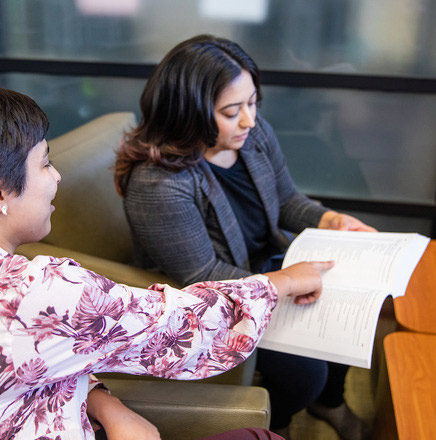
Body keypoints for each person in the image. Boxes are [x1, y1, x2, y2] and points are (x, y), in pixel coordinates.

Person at [0, 84, 330, 440]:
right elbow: (185, 326)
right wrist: (280, 282)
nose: (57, 177)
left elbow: (19, 352)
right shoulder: (36, 291)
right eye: (45, 164)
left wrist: (103, 400)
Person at [114, 35, 375, 440]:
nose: (249, 120)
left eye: (252, 103)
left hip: (268, 266)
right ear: (188, 112)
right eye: (232, 111)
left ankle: (330, 403)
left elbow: (286, 199)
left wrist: (331, 219)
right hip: (216, 295)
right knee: (304, 371)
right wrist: (283, 286)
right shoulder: (158, 181)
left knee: (346, 307)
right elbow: (202, 274)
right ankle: (281, 422)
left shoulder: (251, 136)